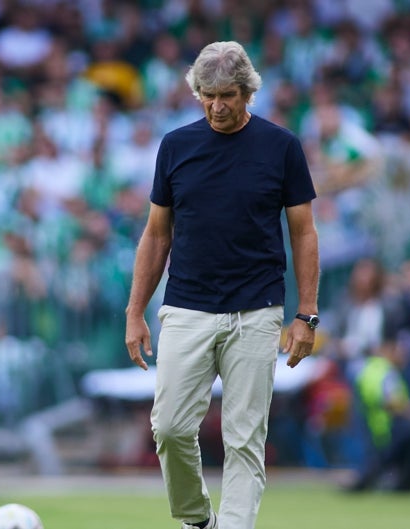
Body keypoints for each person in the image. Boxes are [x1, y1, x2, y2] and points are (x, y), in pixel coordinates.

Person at [124, 42, 320, 529]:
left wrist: (306, 314)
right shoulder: (175, 146)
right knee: (168, 428)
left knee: (244, 439)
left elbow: (304, 232)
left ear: (248, 92)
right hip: (187, 306)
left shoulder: (281, 147)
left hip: (258, 310)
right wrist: (134, 311)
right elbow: (155, 234)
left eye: (226, 95)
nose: (216, 105)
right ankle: (197, 519)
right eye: (206, 95)